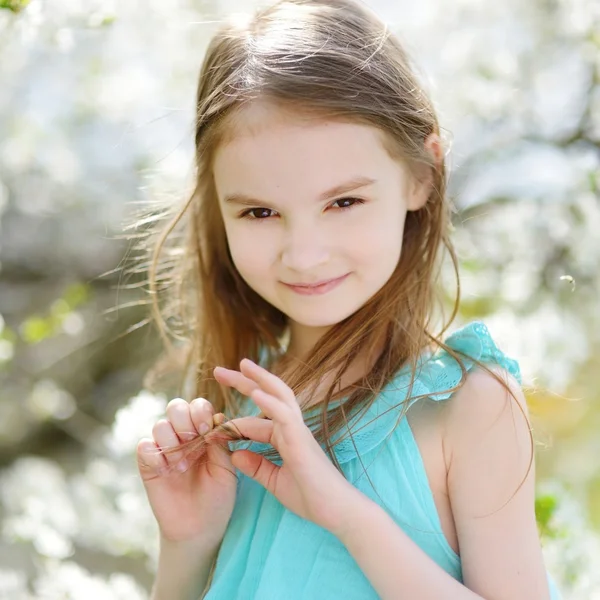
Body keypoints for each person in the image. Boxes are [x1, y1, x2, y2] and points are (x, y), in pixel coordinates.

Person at [134, 0, 561, 598]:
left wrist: (342, 511)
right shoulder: (239, 411)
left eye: (343, 202)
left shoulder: (467, 406)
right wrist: (186, 544)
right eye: (260, 211)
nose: (304, 254)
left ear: (422, 175)